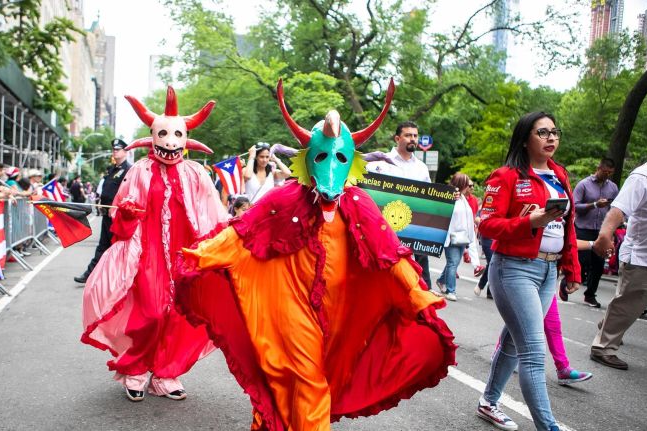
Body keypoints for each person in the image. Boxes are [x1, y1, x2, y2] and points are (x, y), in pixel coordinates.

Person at [177, 79, 455, 430]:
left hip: (340, 314)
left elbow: (389, 253)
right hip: (291, 307)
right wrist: (200, 255)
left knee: (311, 379)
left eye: (340, 158)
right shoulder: (284, 199)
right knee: (307, 379)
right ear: (307, 161)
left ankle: (272, 420)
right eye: (322, 157)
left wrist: (416, 293)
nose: (330, 167)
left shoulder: (359, 203)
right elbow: (241, 234)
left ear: (352, 162)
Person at [81, 88, 226, 402]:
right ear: (152, 135)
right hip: (147, 256)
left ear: (185, 138)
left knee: (180, 315)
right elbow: (119, 219)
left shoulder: (196, 173)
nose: (170, 142)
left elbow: (213, 214)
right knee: (152, 313)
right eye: (163, 133)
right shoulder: (138, 171)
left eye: (177, 134)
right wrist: (128, 213)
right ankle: (135, 368)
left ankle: (166, 371)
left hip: (184, 255)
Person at [477, 112, 581, 431]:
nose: (551, 138)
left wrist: (571, 269)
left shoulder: (560, 174)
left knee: (513, 341)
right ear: (525, 139)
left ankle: (488, 402)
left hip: (549, 271)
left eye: (555, 132)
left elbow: (569, 225)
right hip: (514, 269)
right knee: (534, 353)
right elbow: (487, 223)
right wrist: (530, 222)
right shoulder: (506, 176)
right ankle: (548, 426)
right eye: (542, 133)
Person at [589, 148, 647, 370]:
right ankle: (603, 347)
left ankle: (609, 323)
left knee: (628, 307)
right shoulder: (643, 176)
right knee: (628, 304)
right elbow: (619, 210)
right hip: (646, 256)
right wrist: (605, 235)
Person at [367, 120, 434, 289]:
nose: (413, 139)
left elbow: (429, 199)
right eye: (408, 135)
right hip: (385, 231)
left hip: (414, 232)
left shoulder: (422, 168)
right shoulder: (378, 163)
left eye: (415, 136)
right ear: (397, 138)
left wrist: (449, 198)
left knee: (419, 281)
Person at [73, 140, 131, 284]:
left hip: (118, 216)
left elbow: (129, 192)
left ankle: (123, 278)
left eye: (118, 149)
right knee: (103, 246)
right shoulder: (112, 170)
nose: (115, 151)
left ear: (125, 151)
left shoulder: (129, 170)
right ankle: (90, 274)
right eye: (114, 149)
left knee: (118, 248)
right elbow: (106, 189)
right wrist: (101, 201)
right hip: (106, 215)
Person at [569, 158, 618, 307]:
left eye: (610, 173)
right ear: (598, 168)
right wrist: (595, 204)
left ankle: (590, 295)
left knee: (598, 264)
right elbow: (575, 206)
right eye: (605, 172)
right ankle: (567, 282)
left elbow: (615, 209)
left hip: (602, 231)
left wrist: (612, 231)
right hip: (583, 228)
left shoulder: (613, 188)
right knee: (581, 261)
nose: (607, 175)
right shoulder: (583, 184)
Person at [435, 172, 481, 301]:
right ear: (462, 184)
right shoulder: (451, 197)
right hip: (451, 236)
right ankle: (451, 290)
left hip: (462, 237)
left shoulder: (462, 198)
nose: (469, 187)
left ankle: (441, 280)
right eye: (467, 184)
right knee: (453, 263)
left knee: (453, 262)